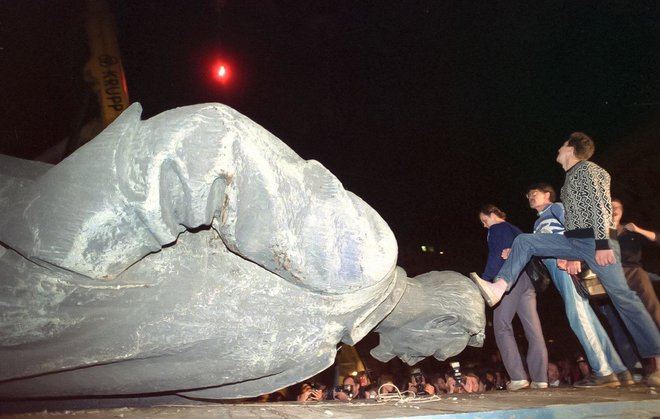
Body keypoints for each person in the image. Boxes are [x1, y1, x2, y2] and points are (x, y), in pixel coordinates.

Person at [470, 132, 660, 387]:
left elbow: (601, 204)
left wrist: (603, 244)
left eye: (562, 145)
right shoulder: (569, 180)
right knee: (524, 241)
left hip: (596, 242)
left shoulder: (589, 170)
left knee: (624, 298)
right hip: (575, 242)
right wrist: (569, 254)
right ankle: (498, 287)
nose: (558, 149)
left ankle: (656, 360)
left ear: (570, 148)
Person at [525, 182, 632, 387]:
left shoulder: (556, 207)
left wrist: (574, 256)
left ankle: (603, 371)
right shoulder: (539, 222)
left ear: (547, 194)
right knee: (588, 318)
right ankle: (618, 370)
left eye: (534, 193)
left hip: (567, 267)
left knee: (578, 317)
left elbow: (575, 229)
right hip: (558, 272)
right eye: (528, 195)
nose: (530, 197)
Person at [475, 204, 548, 390]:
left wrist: (484, 280)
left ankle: (518, 377)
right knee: (533, 330)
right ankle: (540, 379)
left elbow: (496, 256)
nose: (484, 225)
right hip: (527, 280)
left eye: (485, 220)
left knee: (501, 327)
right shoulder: (515, 229)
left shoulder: (496, 228)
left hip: (508, 280)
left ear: (492, 215)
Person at [599, 198, 660, 376]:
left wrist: (638, 229)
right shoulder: (601, 233)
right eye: (609, 207)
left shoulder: (630, 231)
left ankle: (658, 364)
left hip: (633, 272)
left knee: (651, 311)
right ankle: (633, 369)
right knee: (617, 321)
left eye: (616, 207)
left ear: (622, 210)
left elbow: (657, 239)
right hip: (611, 276)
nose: (613, 210)